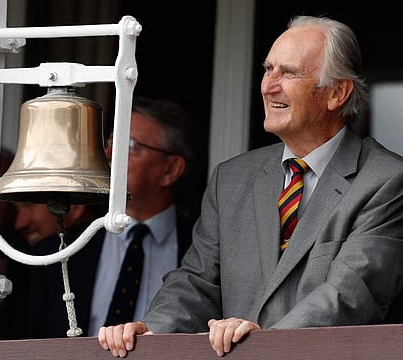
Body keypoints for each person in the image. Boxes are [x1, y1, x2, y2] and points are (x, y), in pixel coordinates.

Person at [97, 15, 403, 358]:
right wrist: (155, 330)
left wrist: (263, 342)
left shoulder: (386, 180)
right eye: (267, 70)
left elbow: (350, 296)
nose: (268, 86)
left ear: (336, 92)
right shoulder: (231, 178)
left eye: (288, 73)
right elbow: (197, 281)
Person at [20, 96, 198, 338]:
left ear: (170, 170)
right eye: (111, 142)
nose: (108, 153)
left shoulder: (202, 254)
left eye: (129, 145)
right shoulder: (57, 254)